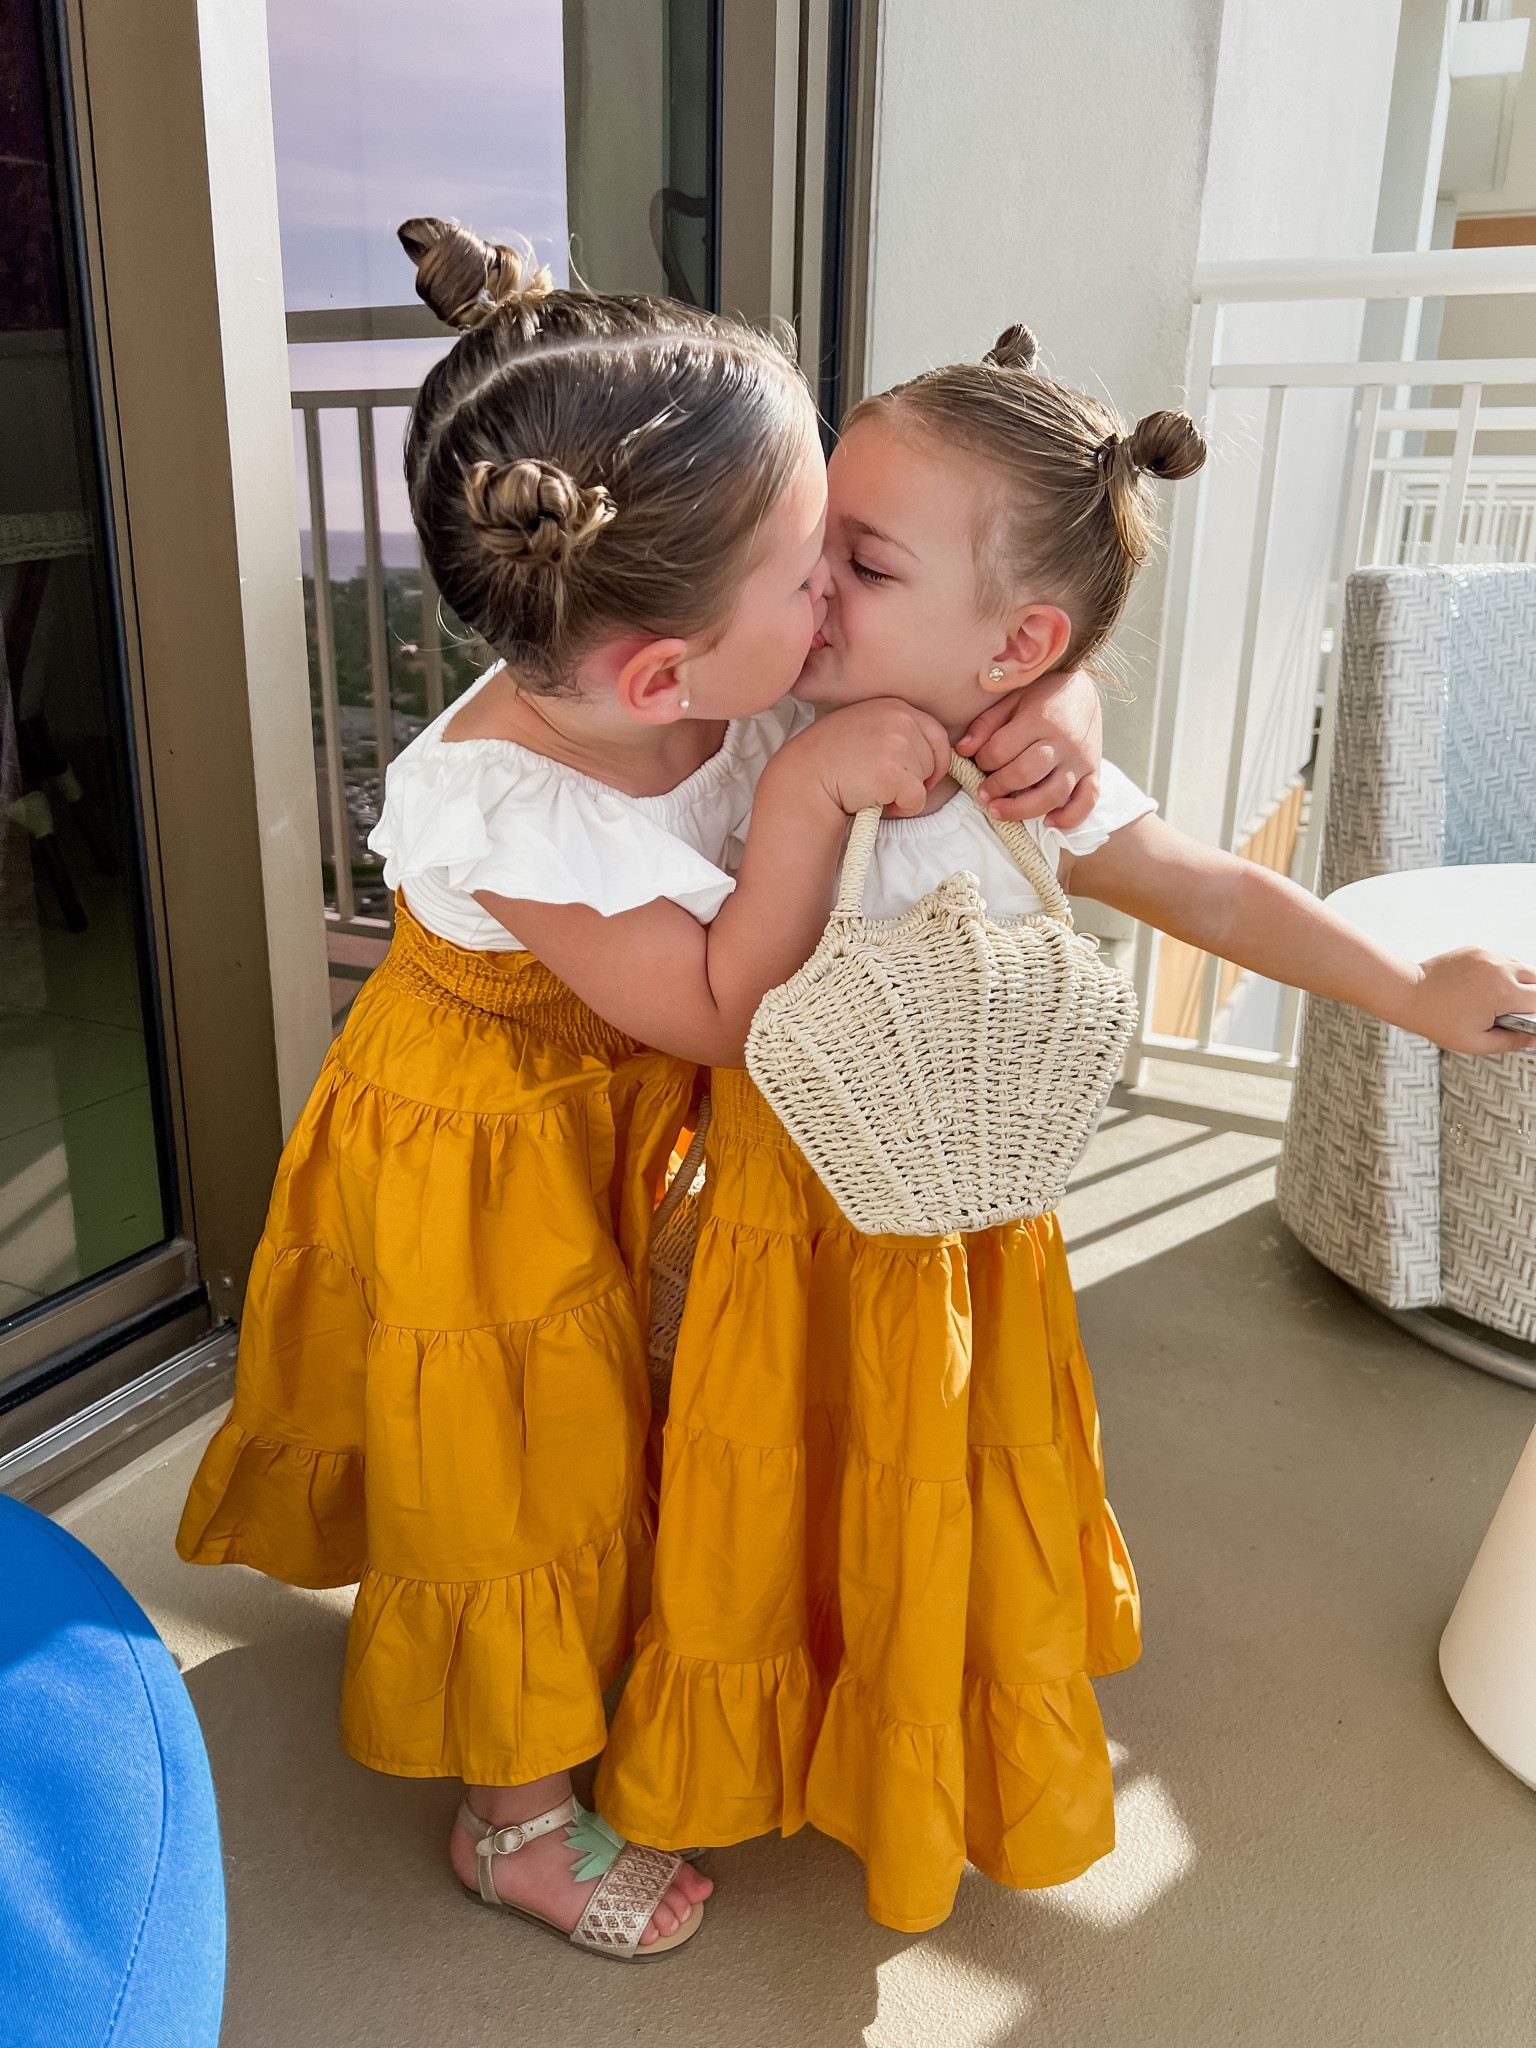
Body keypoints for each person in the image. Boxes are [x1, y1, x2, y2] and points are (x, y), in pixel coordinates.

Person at [175, 229, 1104, 1960]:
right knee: (510, 1468)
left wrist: (1060, 697)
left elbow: (970, 680)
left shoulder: (692, 678)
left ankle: (577, 1686)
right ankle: (512, 1819)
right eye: (814, 572)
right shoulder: (505, 810)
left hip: (595, 1127)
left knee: (614, 1431)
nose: (838, 595)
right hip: (482, 1162)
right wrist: (816, 795)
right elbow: (719, 1012)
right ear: (667, 673)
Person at [595, 323, 1536, 1932]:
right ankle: (743, 1731)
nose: (807, 584)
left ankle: (901, 1742)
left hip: (955, 1234)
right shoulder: (758, 725)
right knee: (764, 1470)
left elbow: (1203, 888)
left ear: (1015, 640)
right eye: (813, 543)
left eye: (859, 562)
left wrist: (1407, 987)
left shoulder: (1021, 776)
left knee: (922, 1479)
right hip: (774, 1212)